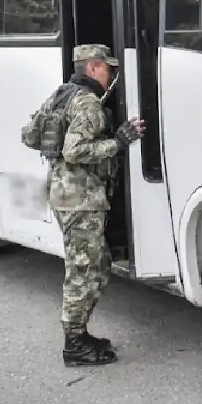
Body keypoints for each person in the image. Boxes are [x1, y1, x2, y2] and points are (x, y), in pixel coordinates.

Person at [32, 44, 144, 367]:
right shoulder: (89, 104)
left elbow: (30, 135)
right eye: (106, 68)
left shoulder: (61, 96)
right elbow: (74, 151)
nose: (110, 74)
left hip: (64, 195)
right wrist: (119, 142)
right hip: (81, 200)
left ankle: (79, 334)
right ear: (92, 68)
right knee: (83, 271)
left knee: (98, 264)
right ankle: (74, 345)